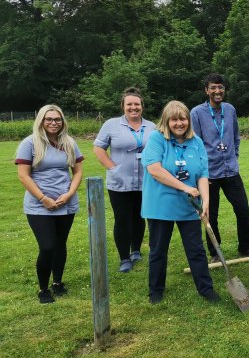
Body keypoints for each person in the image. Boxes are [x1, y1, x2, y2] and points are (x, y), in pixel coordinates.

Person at [141, 100, 219, 304]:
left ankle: (206, 289)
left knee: (196, 249)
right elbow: (155, 170)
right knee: (158, 250)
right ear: (166, 121)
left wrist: (206, 200)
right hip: (160, 205)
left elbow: (202, 173)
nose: (179, 123)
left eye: (182, 118)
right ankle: (155, 291)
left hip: (189, 206)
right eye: (174, 119)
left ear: (188, 120)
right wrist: (185, 188)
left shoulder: (197, 142)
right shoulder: (157, 139)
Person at [191, 73, 249, 263]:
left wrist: (234, 156)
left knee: (243, 209)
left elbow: (236, 137)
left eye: (220, 87)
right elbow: (195, 144)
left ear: (224, 89)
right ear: (206, 90)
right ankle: (215, 253)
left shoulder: (230, 110)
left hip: (231, 170)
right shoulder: (197, 113)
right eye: (213, 88)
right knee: (210, 215)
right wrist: (201, 170)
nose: (217, 91)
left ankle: (245, 246)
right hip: (210, 175)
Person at [15, 105, 84, 303]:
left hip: (65, 203)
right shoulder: (29, 143)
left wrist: (70, 194)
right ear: (41, 121)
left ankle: (58, 282)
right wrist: (43, 198)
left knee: (60, 244)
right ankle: (43, 289)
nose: (54, 123)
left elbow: (77, 171)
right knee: (47, 246)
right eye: (49, 119)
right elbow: (23, 175)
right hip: (39, 206)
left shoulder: (69, 142)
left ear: (63, 122)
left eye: (57, 119)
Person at [93, 87, 156, 273]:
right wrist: (113, 167)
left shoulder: (152, 127)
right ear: (123, 106)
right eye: (129, 104)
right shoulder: (111, 125)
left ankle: (136, 249)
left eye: (137, 104)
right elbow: (98, 148)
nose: (133, 107)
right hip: (120, 182)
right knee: (122, 219)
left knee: (140, 216)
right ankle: (124, 257)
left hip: (146, 180)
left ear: (142, 107)